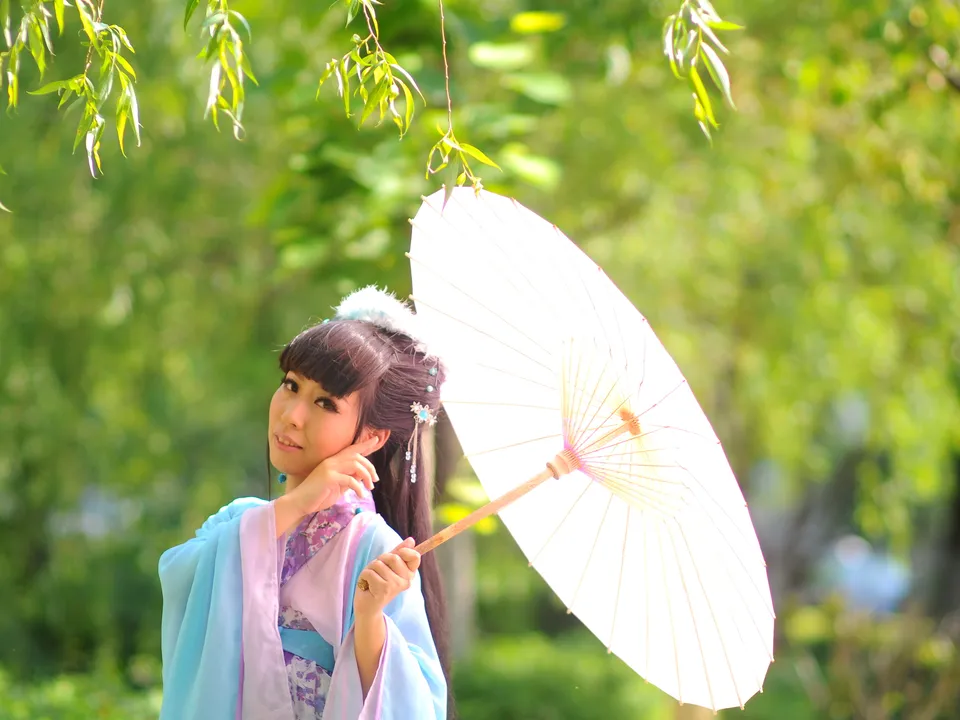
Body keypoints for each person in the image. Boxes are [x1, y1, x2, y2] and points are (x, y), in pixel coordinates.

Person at [158, 286, 450, 720]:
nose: (292, 415)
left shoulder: (375, 548)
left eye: (325, 403)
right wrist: (296, 504)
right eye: (291, 385)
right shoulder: (239, 519)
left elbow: (415, 705)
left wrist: (370, 618)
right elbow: (181, 577)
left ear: (372, 437)